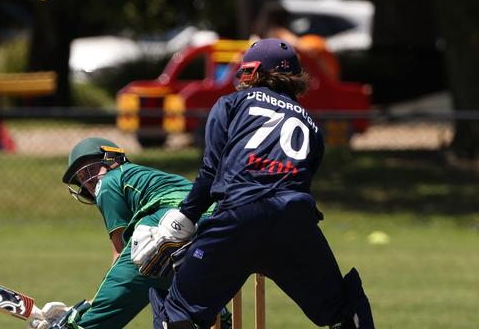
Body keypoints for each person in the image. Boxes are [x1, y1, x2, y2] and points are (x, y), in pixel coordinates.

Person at [135, 38, 375, 329]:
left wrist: (183, 218)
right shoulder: (312, 126)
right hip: (294, 221)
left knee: (178, 314)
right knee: (344, 314)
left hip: (238, 218)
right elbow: (298, 180)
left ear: (257, 73)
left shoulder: (230, 104)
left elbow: (211, 171)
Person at [27, 137, 231, 329]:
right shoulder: (147, 175)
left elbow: (121, 257)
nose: (87, 182)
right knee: (175, 296)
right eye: (81, 179)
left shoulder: (108, 183)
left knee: (133, 270)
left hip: (167, 220)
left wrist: (90, 308)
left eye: (89, 170)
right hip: (217, 222)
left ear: (112, 159)